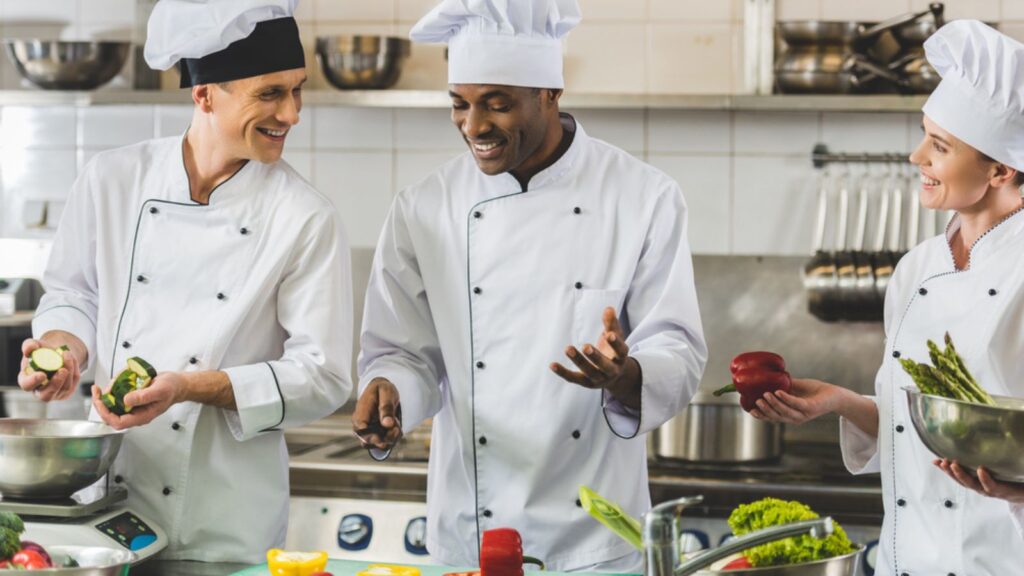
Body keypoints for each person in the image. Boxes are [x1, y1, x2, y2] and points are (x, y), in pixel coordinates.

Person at [351, 0, 707, 571]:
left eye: (497, 105)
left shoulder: (644, 198)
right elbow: (404, 352)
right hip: (473, 531)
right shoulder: (424, 207)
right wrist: (389, 389)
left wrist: (626, 374)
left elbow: (677, 349)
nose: (474, 127)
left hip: (595, 540)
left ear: (549, 95)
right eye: (460, 105)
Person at [17, 0, 352, 562]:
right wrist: (63, 347)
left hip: (224, 523)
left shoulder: (304, 217)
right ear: (204, 94)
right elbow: (74, 295)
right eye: (270, 93)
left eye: (297, 91)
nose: (292, 113)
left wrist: (191, 386)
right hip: (106, 502)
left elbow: (324, 375)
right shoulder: (112, 179)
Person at [751, 20, 1024, 575]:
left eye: (939, 146)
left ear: (1001, 168)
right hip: (907, 559)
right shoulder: (916, 267)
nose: (915, 156)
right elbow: (917, 427)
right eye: (925, 134)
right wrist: (842, 403)